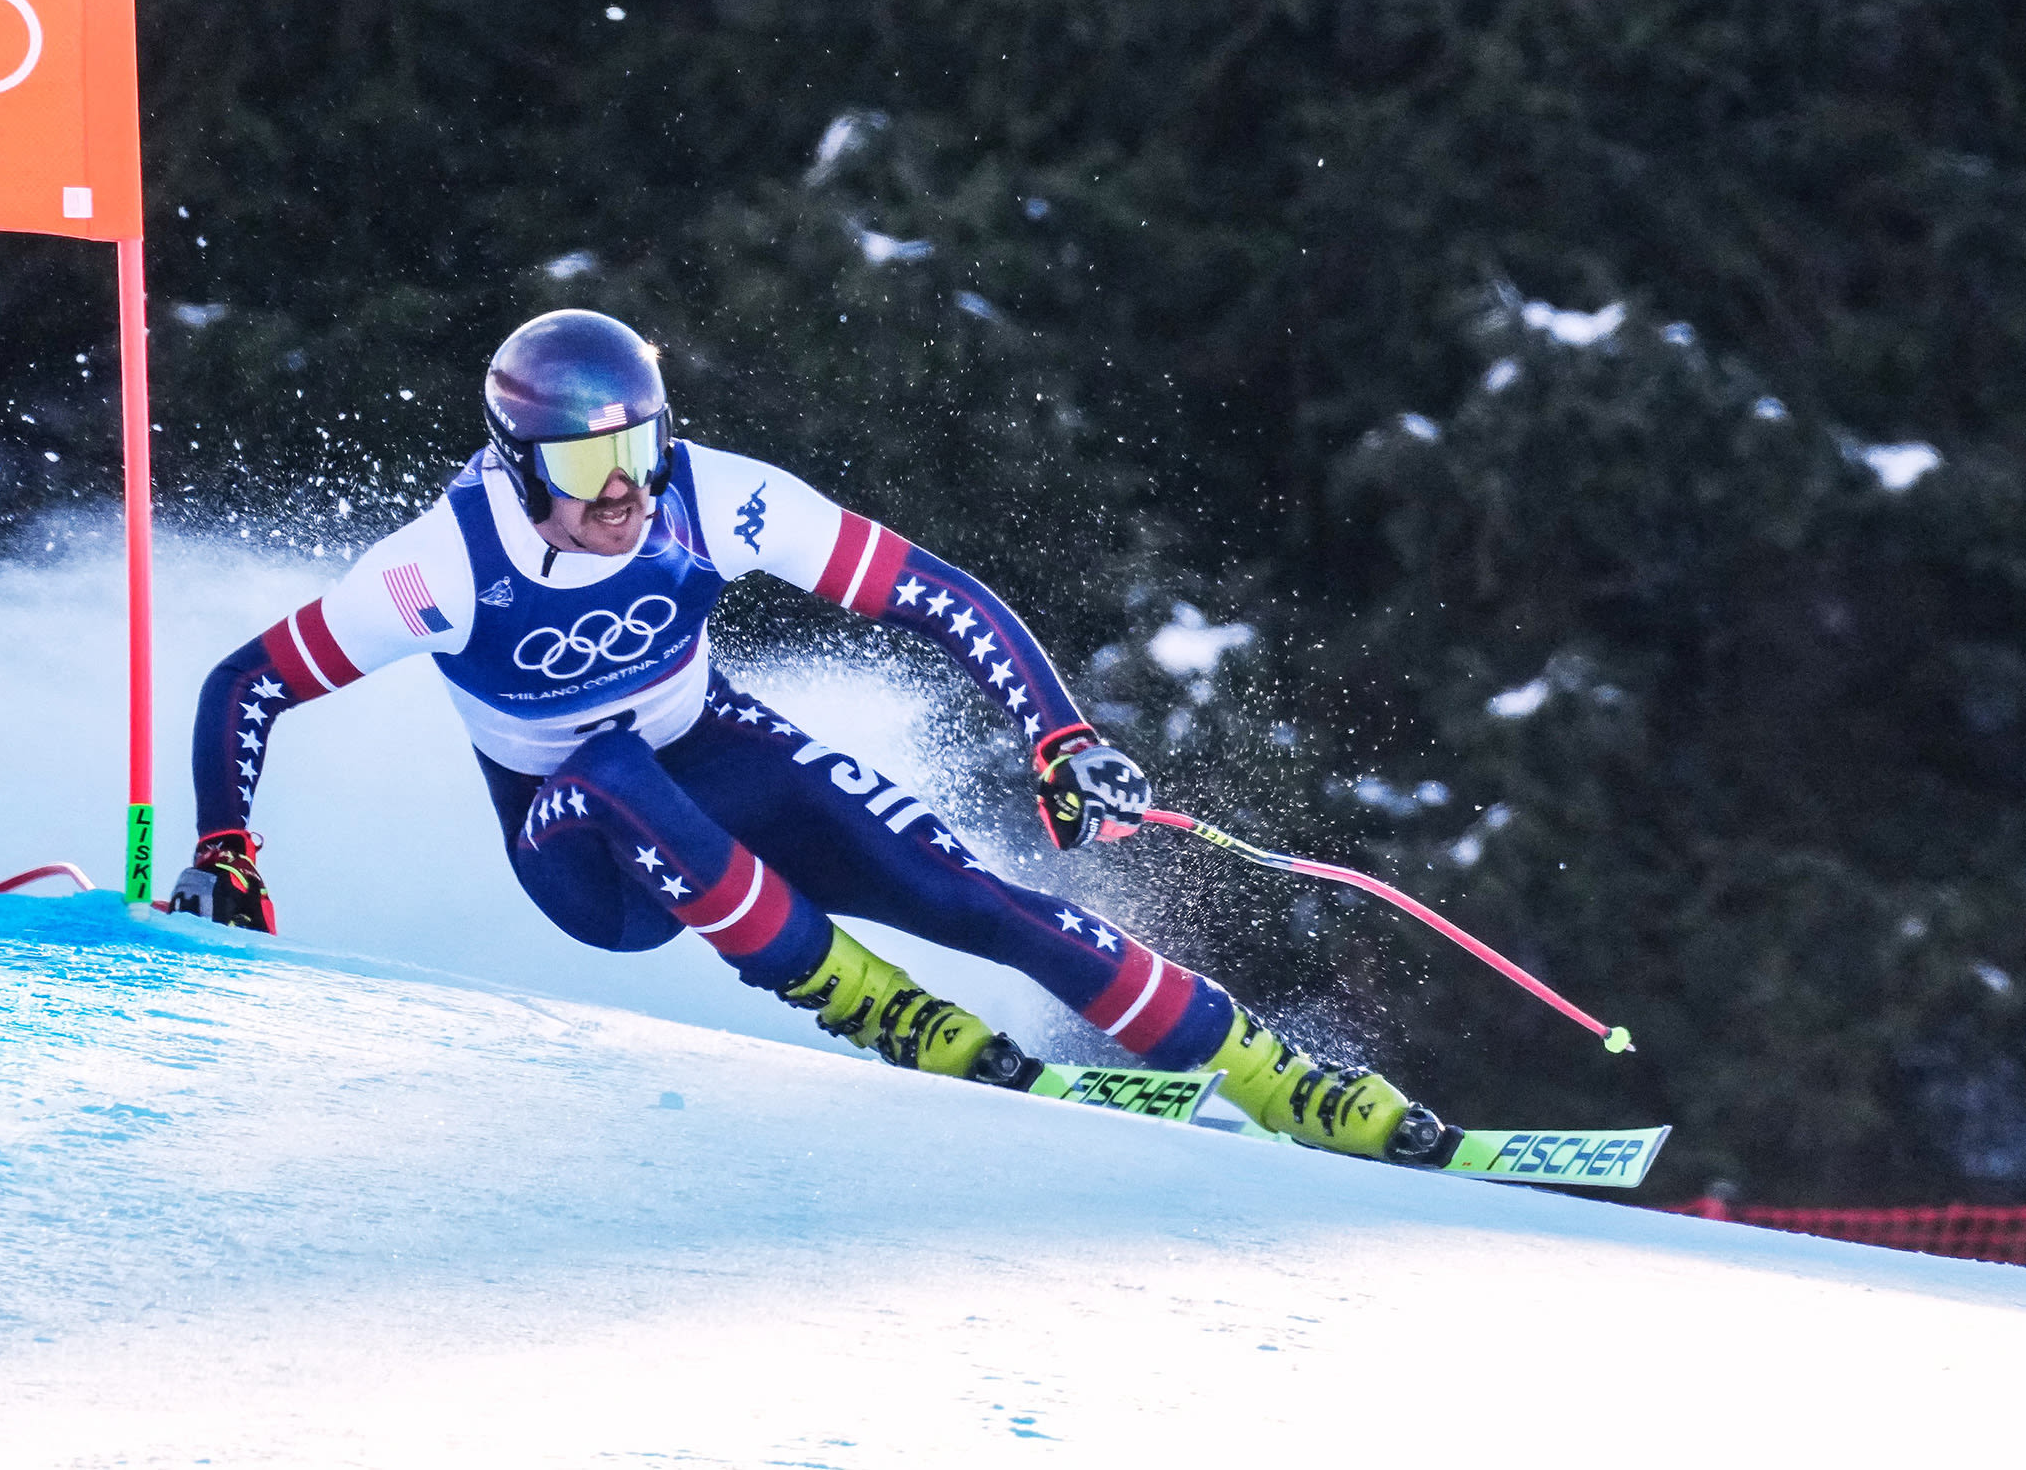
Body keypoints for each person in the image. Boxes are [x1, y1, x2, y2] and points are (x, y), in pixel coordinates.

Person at [171, 310, 1453, 1163]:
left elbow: (940, 591)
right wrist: (225, 845)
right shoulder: (439, 568)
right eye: (582, 466)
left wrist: (1056, 736)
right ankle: (864, 1001)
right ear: (515, 466)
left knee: (972, 895)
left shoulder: (716, 497)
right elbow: (247, 681)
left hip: (716, 751)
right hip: (580, 844)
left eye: (638, 446)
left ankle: (1284, 1079)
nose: (621, 490)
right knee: (608, 763)